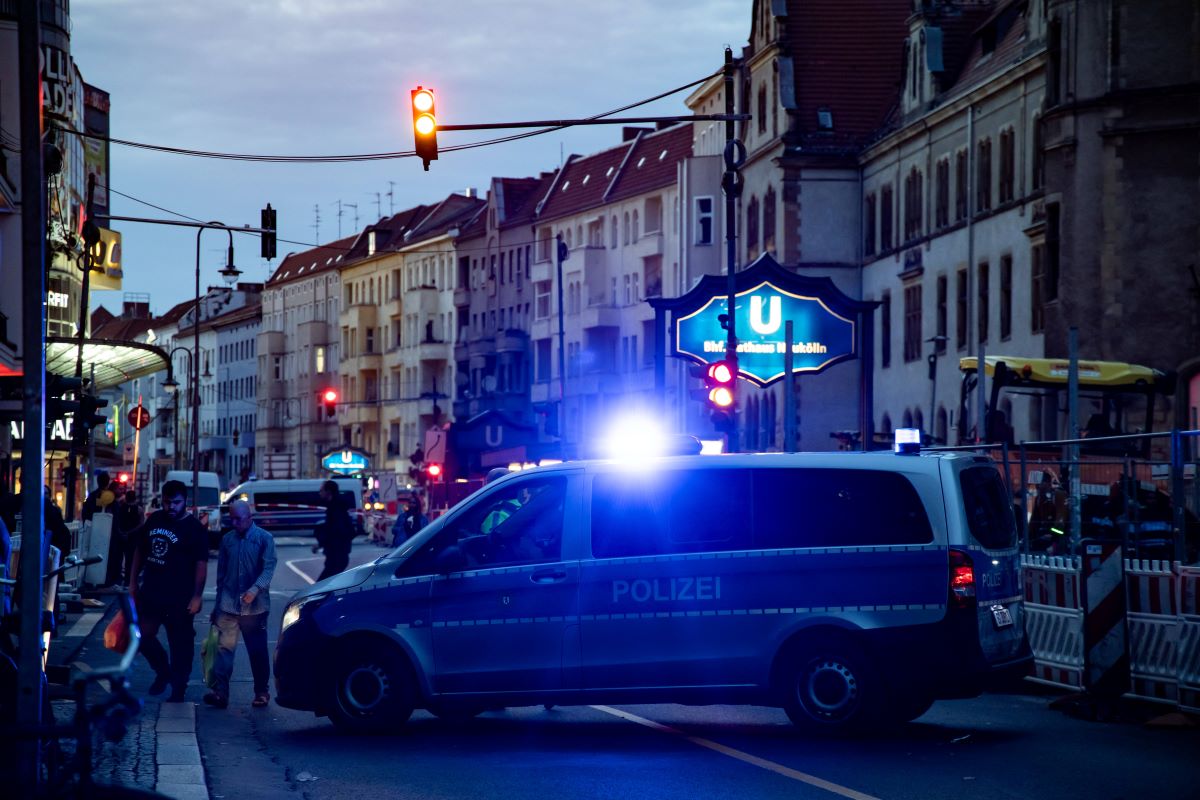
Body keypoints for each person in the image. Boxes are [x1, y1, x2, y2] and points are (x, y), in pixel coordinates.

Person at [128, 480, 208, 702]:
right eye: (167, 502)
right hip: (152, 591)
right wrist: (133, 583)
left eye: (176, 503)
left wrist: (197, 596)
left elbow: (201, 565)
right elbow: (140, 551)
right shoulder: (155, 519)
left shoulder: (195, 529)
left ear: (185, 502)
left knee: (180, 643)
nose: (171, 507)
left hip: (180, 596)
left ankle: (178, 688)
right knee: (142, 636)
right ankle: (163, 670)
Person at [204, 499, 276, 710]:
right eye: (232, 518)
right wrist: (217, 606)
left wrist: (255, 589)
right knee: (224, 650)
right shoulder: (227, 540)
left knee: (257, 650)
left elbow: (269, 568)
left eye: (238, 518)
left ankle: (261, 692)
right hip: (228, 604)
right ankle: (221, 693)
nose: (234, 522)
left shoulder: (264, 539)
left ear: (249, 517)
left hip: (255, 608)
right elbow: (221, 574)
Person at [314, 480, 355, 580]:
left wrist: (321, 542)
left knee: (321, 587)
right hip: (336, 554)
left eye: (321, 490)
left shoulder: (336, 509)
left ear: (328, 491)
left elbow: (335, 530)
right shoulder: (335, 507)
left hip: (337, 555)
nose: (320, 493)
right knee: (328, 586)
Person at [113, 490, 144, 587]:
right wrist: (130, 532)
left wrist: (121, 532)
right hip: (133, 537)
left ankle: (117, 579)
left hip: (121, 536)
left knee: (118, 559)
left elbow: (116, 521)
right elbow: (141, 524)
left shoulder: (121, 507)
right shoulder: (139, 509)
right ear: (135, 498)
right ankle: (128, 580)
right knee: (130, 560)